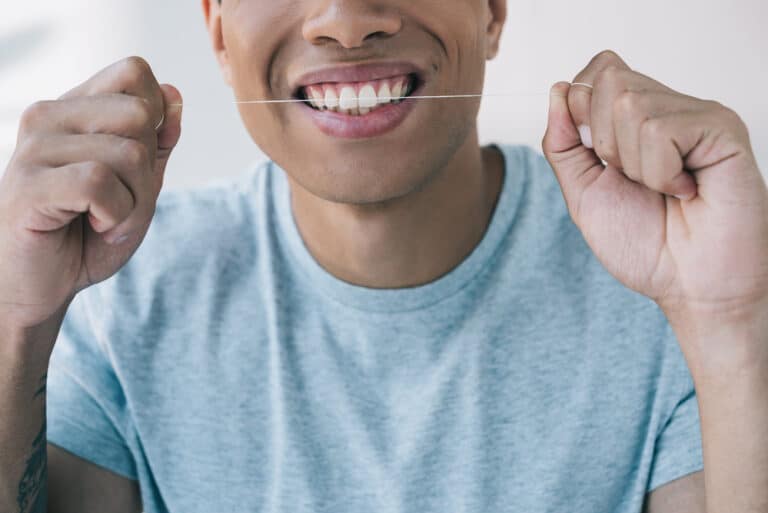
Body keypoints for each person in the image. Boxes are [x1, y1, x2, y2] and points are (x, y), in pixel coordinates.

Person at [2, 0, 767, 512]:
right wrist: (14, 321)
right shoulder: (122, 299)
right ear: (217, 27)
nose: (345, 20)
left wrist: (733, 320)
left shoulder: (667, 284)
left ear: (493, 10)